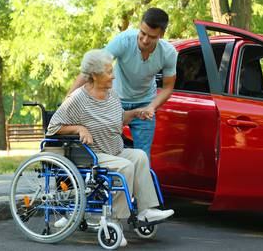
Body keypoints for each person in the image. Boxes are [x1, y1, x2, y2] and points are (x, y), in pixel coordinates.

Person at [47, 49, 174, 246]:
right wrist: (79, 127)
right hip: (93, 155)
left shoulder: (111, 94)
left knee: (139, 156)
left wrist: (136, 113)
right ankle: (114, 220)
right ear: (95, 75)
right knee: (126, 166)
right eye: (109, 72)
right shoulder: (77, 99)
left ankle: (147, 210)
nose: (113, 76)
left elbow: (117, 118)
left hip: (113, 149)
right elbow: (53, 128)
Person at [67, 7, 177, 161]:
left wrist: (152, 107)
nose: (145, 40)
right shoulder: (124, 41)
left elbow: (168, 87)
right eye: (143, 33)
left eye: (152, 37)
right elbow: (93, 68)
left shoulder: (168, 53)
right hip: (115, 101)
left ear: (162, 34)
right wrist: (69, 98)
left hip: (144, 104)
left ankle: (137, 185)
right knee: (108, 152)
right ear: (139, 26)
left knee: (143, 156)